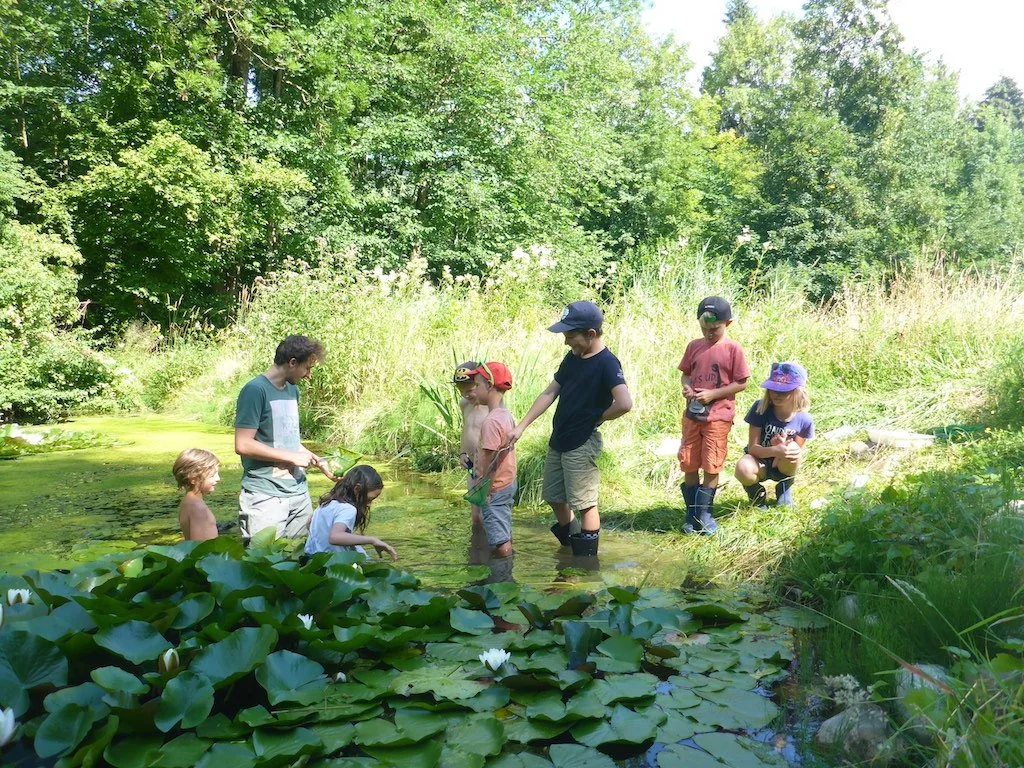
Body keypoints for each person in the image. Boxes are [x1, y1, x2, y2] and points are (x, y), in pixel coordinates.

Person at [510, 301, 632, 556]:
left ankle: (586, 560)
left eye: (570, 336)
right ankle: (572, 545)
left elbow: (624, 403)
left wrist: (597, 418)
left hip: (581, 441)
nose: (566, 342)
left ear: (590, 334)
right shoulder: (573, 358)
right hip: (559, 439)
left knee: (585, 503)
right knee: (554, 495)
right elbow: (550, 392)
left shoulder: (608, 363)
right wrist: (521, 426)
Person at [234, 335, 335, 545]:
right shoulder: (255, 390)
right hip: (265, 495)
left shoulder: (292, 390)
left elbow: (288, 440)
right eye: (307, 368)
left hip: (298, 492)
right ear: (292, 363)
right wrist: (292, 457)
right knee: (263, 566)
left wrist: (318, 461)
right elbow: (243, 444)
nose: (308, 375)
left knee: (299, 560)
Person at [678, 296, 750, 534]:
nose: (709, 333)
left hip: (718, 416)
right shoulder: (694, 346)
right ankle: (691, 514)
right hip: (692, 416)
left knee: (711, 463)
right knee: (689, 461)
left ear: (727, 323)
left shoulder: (732, 349)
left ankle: (705, 513)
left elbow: (741, 383)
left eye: (714, 329)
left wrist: (713, 394)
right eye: (704, 329)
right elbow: (686, 374)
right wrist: (687, 387)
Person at [735, 362, 814, 507]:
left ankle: (784, 487)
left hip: (783, 463)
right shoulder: (760, 409)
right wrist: (774, 450)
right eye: (773, 389)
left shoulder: (804, 419)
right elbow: (753, 448)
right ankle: (755, 493)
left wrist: (783, 450)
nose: (776, 394)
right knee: (742, 468)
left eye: (784, 391)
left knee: (793, 453)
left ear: (798, 391)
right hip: (758, 459)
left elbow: (798, 451)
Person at [466, 362, 517, 559]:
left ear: (490, 386)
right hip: (506, 483)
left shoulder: (491, 422)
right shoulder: (505, 415)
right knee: (503, 529)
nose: (475, 390)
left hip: (494, 488)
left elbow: (491, 459)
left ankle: (502, 574)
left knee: (499, 541)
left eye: (477, 385)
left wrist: (484, 488)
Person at [304, 464, 397, 560]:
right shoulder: (348, 509)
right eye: (369, 499)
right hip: (332, 562)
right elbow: (335, 537)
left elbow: (309, 524)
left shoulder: (326, 503)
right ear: (357, 489)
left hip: (312, 558)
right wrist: (372, 540)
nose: (369, 505)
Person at [453, 360, 491, 527]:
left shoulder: (491, 407)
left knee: (488, 512)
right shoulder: (465, 404)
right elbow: (466, 428)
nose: (466, 395)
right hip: (471, 465)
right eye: (461, 391)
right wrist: (462, 452)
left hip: (487, 465)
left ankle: (492, 548)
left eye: (469, 390)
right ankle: (476, 550)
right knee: (475, 516)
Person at [172, 448, 220, 542]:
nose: (218, 478)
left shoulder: (187, 501)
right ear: (193, 478)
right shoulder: (198, 508)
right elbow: (200, 551)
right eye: (212, 475)